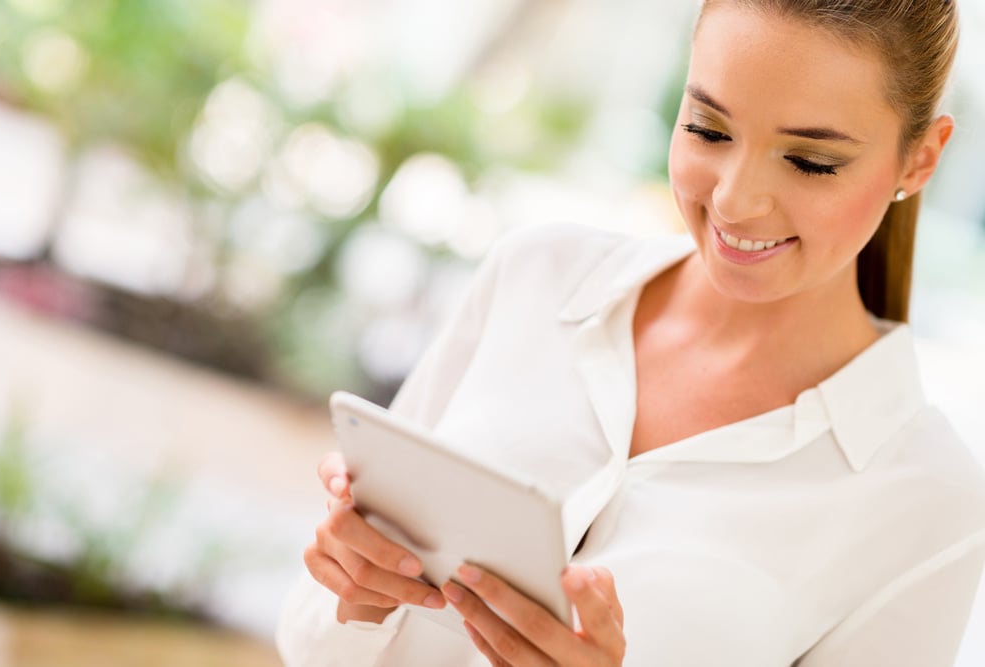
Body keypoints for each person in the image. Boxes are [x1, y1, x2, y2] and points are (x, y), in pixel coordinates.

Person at [277, 0, 985, 664]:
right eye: (709, 129)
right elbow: (316, 634)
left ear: (920, 158)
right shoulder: (538, 276)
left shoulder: (927, 499)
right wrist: (355, 589)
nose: (736, 199)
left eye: (811, 161)